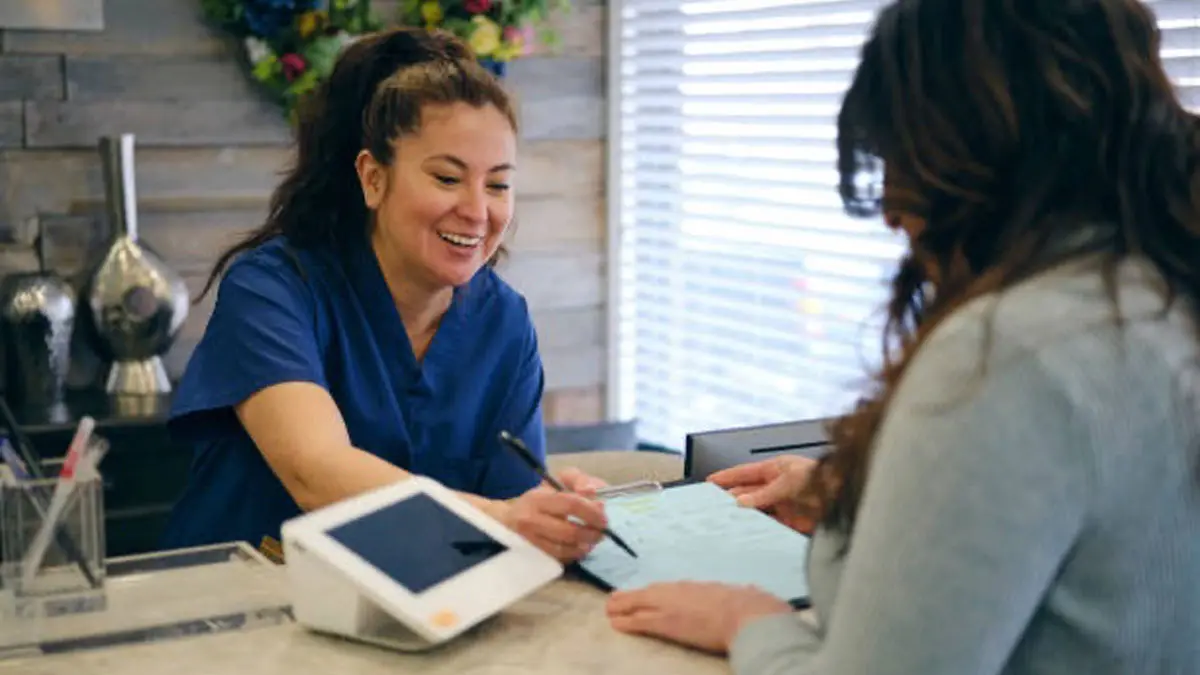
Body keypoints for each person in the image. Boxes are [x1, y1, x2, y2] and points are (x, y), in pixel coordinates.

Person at [606, 0, 1200, 672]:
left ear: (974, 153)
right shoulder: (1158, 294)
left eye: (901, 159)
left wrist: (750, 622)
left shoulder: (1006, 353)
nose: (890, 211)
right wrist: (866, 503)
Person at [159, 27, 609, 564]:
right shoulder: (274, 289)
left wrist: (553, 514)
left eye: (497, 184)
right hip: (238, 607)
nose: (477, 210)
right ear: (373, 178)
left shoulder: (503, 322)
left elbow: (514, 502)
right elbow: (315, 471)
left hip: (419, 605)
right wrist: (503, 520)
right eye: (446, 177)